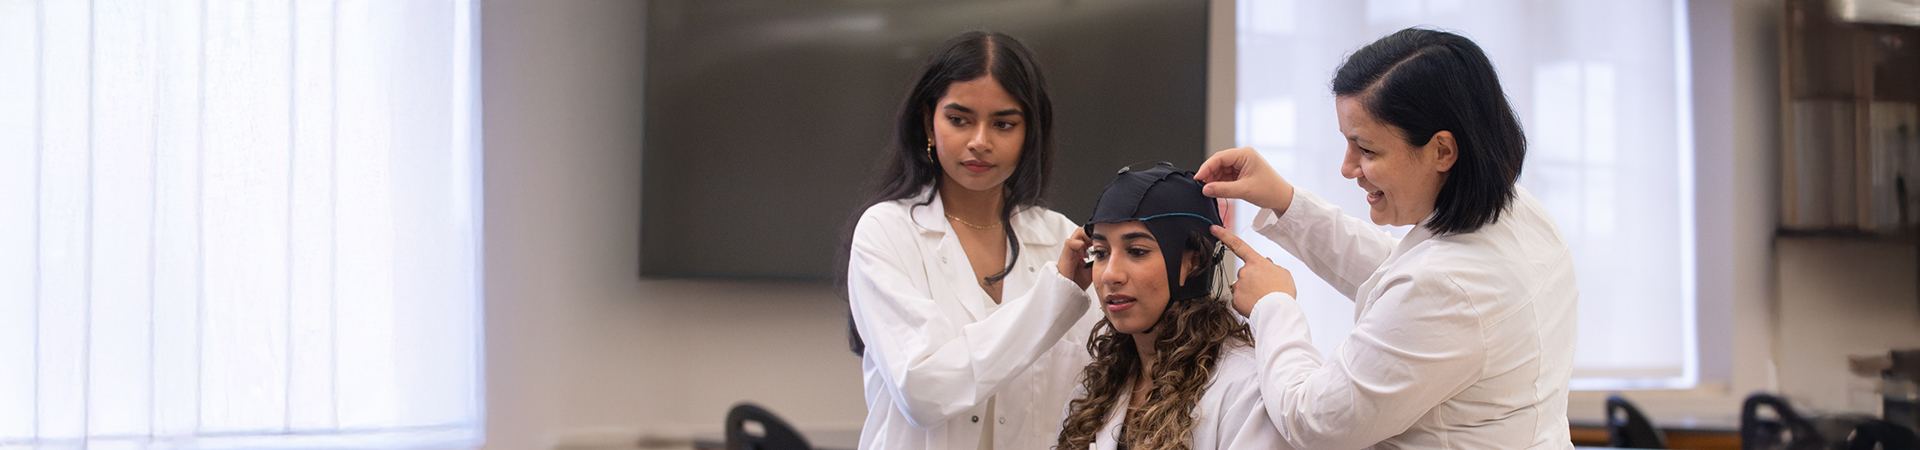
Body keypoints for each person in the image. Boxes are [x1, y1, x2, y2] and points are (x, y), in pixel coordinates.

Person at [1196, 28, 1580, 449]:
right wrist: (1285, 202)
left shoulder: (1448, 287)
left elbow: (1315, 422)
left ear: (1442, 151)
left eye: (1367, 150)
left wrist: (1273, 307)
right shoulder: (1516, 210)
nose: (1348, 168)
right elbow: (1398, 268)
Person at [845, 30, 1103, 450]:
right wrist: (1054, 299)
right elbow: (923, 390)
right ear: (929, 121)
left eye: (1003, 124)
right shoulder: (886, 231)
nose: (980, 142)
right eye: (959, 119)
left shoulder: (1061, 237)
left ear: (1029, 133)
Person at [1055, 163, 1286, 450]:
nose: (1110, 274)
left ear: (1195, 261)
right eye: (1101, 253)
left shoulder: (1244, 388)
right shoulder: (1098, 387)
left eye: (1137, 251)